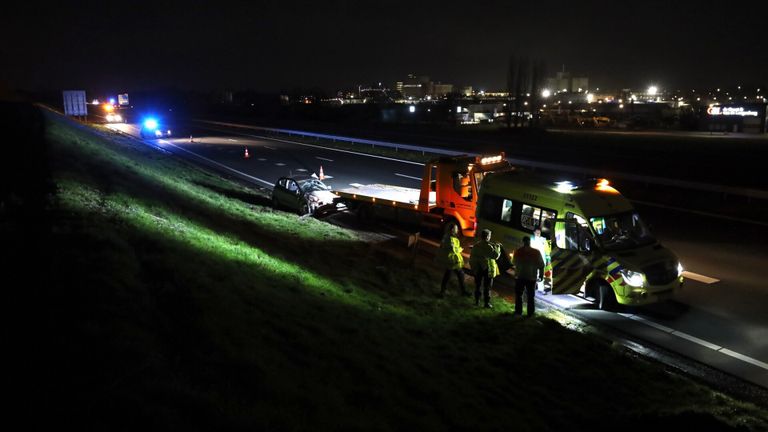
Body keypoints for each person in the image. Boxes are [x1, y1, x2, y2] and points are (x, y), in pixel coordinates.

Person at [512, 236, 545, 317]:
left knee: (519, 295)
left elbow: (514, 263)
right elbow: (541, 265)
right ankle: (530, 313)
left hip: (520, 276)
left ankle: (518, 312)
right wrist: (541, 275)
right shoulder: (536, 252)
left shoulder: (518, 251)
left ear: (523, 242)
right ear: (530, 242)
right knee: (530, 296)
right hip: (531, 277)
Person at [469, 229, 501, 308]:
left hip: (478, 268)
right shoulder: (489, 247)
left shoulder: (476, 245)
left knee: (478, 285)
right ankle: (486, 303)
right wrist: (497, 247)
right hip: (487, 269)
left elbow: (472, 257)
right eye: (489, 236)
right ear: (487, 237)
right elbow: (496, 256)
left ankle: (477, 301)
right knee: (487, 286)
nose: (490, 238)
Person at [437, 225, 470, 297]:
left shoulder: (447, 236)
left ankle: (443, 291)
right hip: (452, 261)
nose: (457, 230)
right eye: (456, 229)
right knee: (458, 274)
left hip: (451, 260)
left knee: (450, 275)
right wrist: (461, 248)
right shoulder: (450, 238)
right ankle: (462, 291)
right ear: (452, 229)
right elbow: (453, 249)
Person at [530, 228, 552, 293]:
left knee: (541, 275)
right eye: (536, 232)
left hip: (542, 260)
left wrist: (548, 259)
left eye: (539, 232)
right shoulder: (531, 239)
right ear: (534, 232)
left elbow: (547, 251)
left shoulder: (543, 240)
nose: (538, 234)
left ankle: (540, 289)